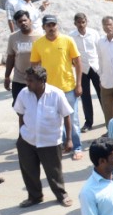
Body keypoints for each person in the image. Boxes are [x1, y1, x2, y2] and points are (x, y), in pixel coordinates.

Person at [14, 66, 74, 208]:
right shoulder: (23, 94)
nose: (27, 83)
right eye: (26, 80)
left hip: (50, 142)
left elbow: (66, 116)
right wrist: (22, 132)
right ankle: (34, 197)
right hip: (27, 140)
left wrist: (69, 139)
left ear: (41, 81)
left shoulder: (56, 94)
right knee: (29, 171)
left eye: (31, 80)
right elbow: (20, 114)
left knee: (54, 172)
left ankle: (62, 195)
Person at [29, 14, 84, 159]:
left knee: (73, 119)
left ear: (57, 25)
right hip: (49, 90)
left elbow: (78, 63)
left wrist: (79, 84)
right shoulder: (38, 44)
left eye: (53, 25)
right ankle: (64, 145)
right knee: (55, 120)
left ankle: (77, 147)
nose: (51, 28)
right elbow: (34, 66)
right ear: (43, 27)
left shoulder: (67, 40)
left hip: (68, 88)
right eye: (48, 25)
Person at [2, 9, 36, 106]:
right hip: (19, 79)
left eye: (25, 20)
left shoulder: (40, 36)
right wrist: (7, 76)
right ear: (16, 24)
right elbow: (11, 57)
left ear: (30, 20)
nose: (23, 23)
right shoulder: (13, 37)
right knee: (19, 107)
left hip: (36, 79)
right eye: (20, 21)